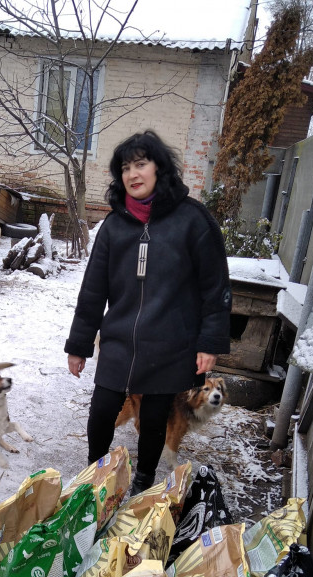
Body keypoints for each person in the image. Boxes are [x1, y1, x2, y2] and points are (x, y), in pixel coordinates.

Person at [65, 130, 231, 496]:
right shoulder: (114, 225)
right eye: (125, 167)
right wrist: (79, 344)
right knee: (102, 410)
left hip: (171, 341)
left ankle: (143, 479)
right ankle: (95, 474)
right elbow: (93, 290)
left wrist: (210, 341)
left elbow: (214, 284)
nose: (132, 174)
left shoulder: (192, 220)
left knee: (155, 417)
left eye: (141, 164)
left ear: (160, 169)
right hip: (120, 338)